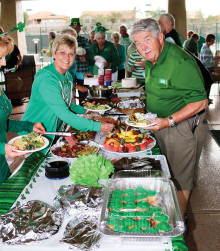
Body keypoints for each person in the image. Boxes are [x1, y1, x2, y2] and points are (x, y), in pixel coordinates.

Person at [130, 18, 208, 218]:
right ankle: (164, 213)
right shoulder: (151, 58)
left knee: (180, 181)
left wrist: (169, 121)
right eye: (137, 43)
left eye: (147, 40)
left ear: (160, 37)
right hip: (161, 125)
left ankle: (176, 225)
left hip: (181, 127)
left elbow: (200, 102)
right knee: (165, 174)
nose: (142, 47)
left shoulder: (179, 62)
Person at [21, 34, 114, 148]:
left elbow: (67, 104)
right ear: (54, 54)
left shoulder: (68, 77)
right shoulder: (47, 79)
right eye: (62, 52)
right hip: (34, 134)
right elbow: (64, 113)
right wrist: (98, 126)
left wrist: (85, 110)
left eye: (71, 53)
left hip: (53, 132)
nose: (67, 57)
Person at [0, 34, 45, 185]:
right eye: (0, 57)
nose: (4, 62)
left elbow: (2, 123)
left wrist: (28, 125)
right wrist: (2, 148)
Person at [69, 18, 89, 100]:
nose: (75, 30)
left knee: (83, 96)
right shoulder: (67, 42)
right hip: (70, 73)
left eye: (76, 28)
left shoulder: (84, 40)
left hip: (82, 70)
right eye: (73, 28)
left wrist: (83, 55)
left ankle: (84, 111)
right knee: (71, 95)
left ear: (80, 29)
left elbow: (87, 53)